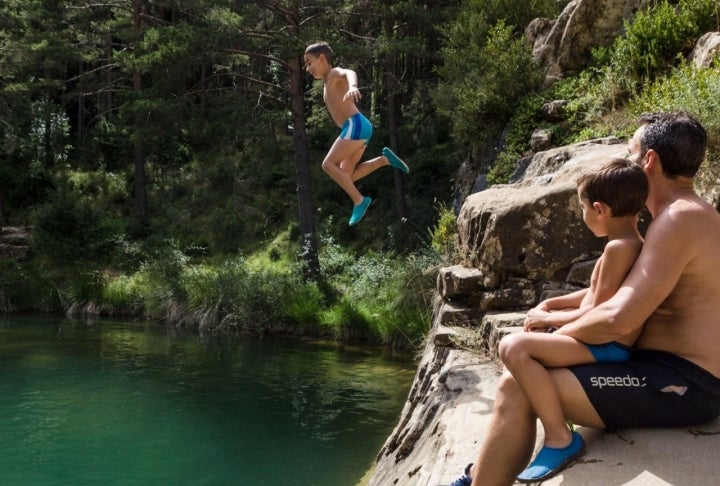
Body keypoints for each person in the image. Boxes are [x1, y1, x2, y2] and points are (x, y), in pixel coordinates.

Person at [450, 112, 720, 486]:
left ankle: (490, 476)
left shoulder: (680, 219)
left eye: (631, 153)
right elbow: (616, 298)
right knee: (523, 375)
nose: (625, 162)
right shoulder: (676, 218)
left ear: (650, 161)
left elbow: (618, 319)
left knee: (519, 385)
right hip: (656, 369)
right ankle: (480, 477)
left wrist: (558, 333)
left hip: (684, 383)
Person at [497, 157, 648, 483]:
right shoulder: (628, 244)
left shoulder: (619, 249)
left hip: (606, 347)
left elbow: (599, 308)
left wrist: (551, 319)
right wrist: (553, 303)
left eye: (582, 208)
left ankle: (560, 437)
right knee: (523, 350)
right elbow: (592, 292)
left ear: (599, 209)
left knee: (513, 347)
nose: (583, 216)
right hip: (599, 341)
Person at [303, 41, 409, 226]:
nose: (307, 68)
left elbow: (349, 72)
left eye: (309, 62)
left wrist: (352, 86)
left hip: (356, 125)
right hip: (357, 128)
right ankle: (383, 160)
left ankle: (359, 201)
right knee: (347, 176)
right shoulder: (327, 84)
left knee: (328, 164)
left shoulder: (334, 73)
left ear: (322, 59)